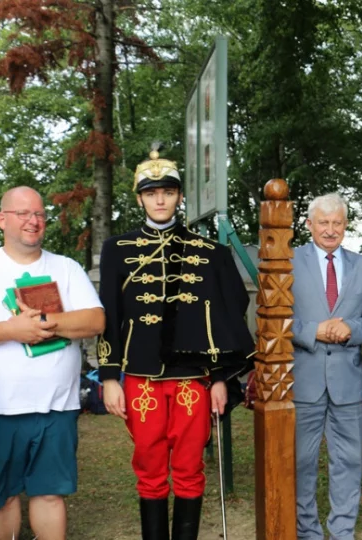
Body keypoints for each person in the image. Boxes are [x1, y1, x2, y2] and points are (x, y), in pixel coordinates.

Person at [98, 148, 254, 540]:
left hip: (194, 377)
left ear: (180, 196)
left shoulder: (211, 254)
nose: (161, 199)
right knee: (149, 469)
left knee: (189, 468)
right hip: (139, 375)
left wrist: (221, 377)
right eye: (152, 193)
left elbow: (228, 314)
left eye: (168, 191)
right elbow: (110, 315)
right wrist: (109, 376)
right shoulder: (116, 250)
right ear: (140, 199)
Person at [0, 186, 105, 540]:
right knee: (0, 498)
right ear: (2, 219)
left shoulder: (65, 267)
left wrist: (48, 324)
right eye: (23, 213)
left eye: (39, 214)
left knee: (50, 494)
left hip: (56, 406)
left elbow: (95, 321)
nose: (33, 221)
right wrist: (12, 330)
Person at [291, 192, 362, 540]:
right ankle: (307, 530)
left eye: (337, 223)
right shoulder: (286, 262)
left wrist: (351, 329)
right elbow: (273, 319)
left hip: (347, 380)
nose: (330, 230)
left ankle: (343, 530)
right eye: (323, 222)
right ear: (310, 224)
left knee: (349, 461)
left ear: (346, 226)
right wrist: (313, 331)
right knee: (301, 462)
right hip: (303, 378)